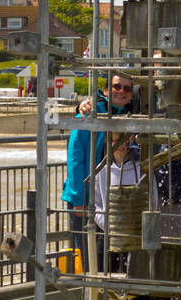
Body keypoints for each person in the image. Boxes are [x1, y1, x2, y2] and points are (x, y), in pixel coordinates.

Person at [62, 71, 135, 254]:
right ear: (105, 90)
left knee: (111, 253)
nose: (121, 91)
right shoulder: (89, 114)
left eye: (127, 88)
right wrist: (79, 199)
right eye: (116, 86)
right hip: (87, 198)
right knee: (88, 253)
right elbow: (75, 159)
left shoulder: (132, 116)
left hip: (115, 197)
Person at [93, 132, 158, 271]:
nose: (121, 145)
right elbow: (96, 204)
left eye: (124, 140)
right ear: (108, 142)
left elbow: (153, 202)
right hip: (108, 235)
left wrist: (139, 226)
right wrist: (109, 224)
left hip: (137, 236)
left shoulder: (143, 168)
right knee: (103, 275)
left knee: (136, 278)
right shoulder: (101, 171)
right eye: (116, 141)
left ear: (130, 139)